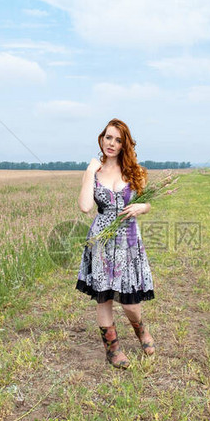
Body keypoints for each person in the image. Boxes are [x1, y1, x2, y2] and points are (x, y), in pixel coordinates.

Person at [76, 118, 155, 369]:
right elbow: (86, 206)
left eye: (118, 140)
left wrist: (142, 207)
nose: (112, 143)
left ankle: (141, 330)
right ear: (101, 139)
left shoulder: (136, 172)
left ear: (125, 144)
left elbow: (148, 203)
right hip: (101, 241)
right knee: (104, 297)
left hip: (128, 241)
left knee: (131, 302)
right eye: (108, 137)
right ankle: (113, 349)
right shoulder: (94, 173)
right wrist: (89, 172)